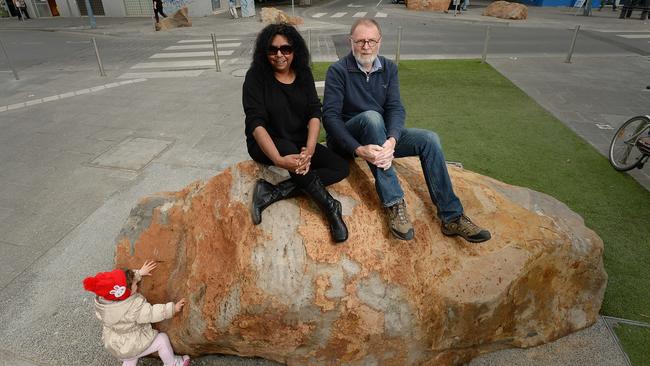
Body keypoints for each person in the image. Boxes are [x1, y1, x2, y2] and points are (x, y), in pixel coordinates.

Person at [322, 18, 491, 243]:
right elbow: (330, 118)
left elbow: (395, 108)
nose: (366, 46)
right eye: (360, 41)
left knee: (429, 139)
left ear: (379, 42)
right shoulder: (338, 71)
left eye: (371, 41)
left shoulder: (389, 68)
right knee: (372, 117)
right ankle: (394, 204)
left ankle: (452, 217)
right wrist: (359, 149)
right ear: (350, 41)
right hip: (349, 140)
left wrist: (392, 140)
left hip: (380, 137)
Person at [243, 23, 350, 243]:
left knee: (340, 167)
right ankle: (330, 208)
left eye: (286, 49)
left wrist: (310, 148)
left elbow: (314, 111)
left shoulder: (303, 73)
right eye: (272, 50)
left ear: (295, 50)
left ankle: (273, 192)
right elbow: (256, 123)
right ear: (265, 52)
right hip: (268, 144)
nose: (279, 55)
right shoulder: (255, 77)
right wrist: (278, 160)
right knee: (289, 150)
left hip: (299, 140)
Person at [83, 260, 190, 366]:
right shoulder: (133, 307)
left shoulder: (104, 303)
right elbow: (152, 313)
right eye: (134, 284)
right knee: (162, 340)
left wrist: (139, 273)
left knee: (130, 357)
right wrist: (172, 309)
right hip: (131, 345)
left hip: (116, 345)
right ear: (125, 293)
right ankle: (173, 363)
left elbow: (122, 282)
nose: (136, 284)